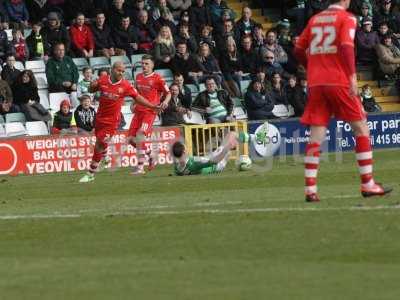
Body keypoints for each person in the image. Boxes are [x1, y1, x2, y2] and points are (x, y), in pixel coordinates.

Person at [294, 0, 392, 202]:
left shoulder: (315, 19)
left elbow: (297, 49)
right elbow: (347, 48)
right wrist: (352, 77)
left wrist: (311, 66)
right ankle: (368, 183)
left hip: (316, 83)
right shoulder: (347, 18)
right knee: (361, 128)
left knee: (316, 134)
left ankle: (310, 189)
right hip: (338, 81)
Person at [79, 61, 160, 183]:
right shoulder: (103, 80)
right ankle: (105, 157)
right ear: (112, 69)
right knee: (100, 142)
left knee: (99, 144)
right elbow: (91, 90)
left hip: (112, 122)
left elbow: (138, 97)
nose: (121, 73)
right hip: (99, 118)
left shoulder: (126, 86)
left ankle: (91, 173)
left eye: (123, 71)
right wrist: (92, 85)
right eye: (119, 70)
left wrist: (152, 106)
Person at [127, 54, 171, 175]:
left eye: (146, 64)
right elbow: (136, 93)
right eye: (142, 64)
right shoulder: (138, 77)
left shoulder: (158, 79)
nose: (144, 66)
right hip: (138, 111)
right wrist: (133, 103)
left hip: (150, 112)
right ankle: (151, 155)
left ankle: (140, 167)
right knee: (131, 139)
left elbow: (168, 93)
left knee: (140, 136)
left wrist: (165, 103)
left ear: (152, 65)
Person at [172, 131, 238, 176]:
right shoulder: (194, 162)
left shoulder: (177, 167)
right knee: (232, 134)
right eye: (185, 147)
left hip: (209, 159)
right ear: (184, 151)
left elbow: (179, 172)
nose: (187, 148)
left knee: (228, 143)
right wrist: (226, 150)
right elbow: (215, 161)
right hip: (216, 166)